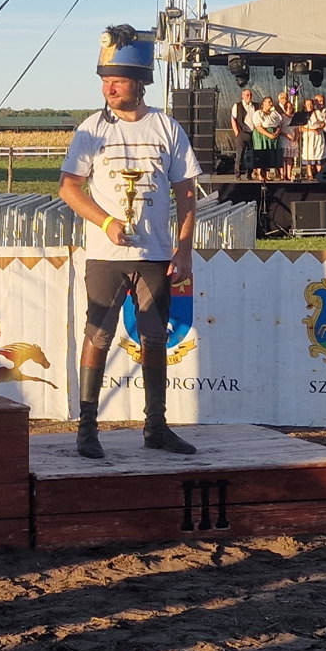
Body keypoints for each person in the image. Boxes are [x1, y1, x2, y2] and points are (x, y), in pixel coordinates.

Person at [60, 24, 202, 460]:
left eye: (118, 81)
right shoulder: (91, 129)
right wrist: (105, 222)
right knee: (98, 335)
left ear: (140, 84)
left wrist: (183, 249)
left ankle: (156, 427)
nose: (109, 89)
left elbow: (186, 194)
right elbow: (69, 188)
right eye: (105, 81)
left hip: (154, 254)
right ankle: (87, 429)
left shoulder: (166, 128)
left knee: (155, 338)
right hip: (106, 256)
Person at [250, 95, 282, 181]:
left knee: (269, 154)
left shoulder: (274, 113)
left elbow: (279, 124)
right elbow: (258, 127)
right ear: (263, 103)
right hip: (262, 135)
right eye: (269, 102)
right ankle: (260, 174)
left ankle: (267, 175)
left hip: (273, 135)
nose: (271, 104)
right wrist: (268, 134)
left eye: (271, 102)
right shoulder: (258, 113)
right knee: (261, 153)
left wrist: (276, 132)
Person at [228, 88, 255, 178]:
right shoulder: (237, 106)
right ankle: (237, 173)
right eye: (247, 95)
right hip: (241, 133)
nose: (249, 97)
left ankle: (249, 174)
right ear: (242, 96)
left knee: (251, 154)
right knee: (240, 154)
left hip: (252, 133)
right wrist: (236, 132)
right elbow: (233, 119)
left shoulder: (255, 106)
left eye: (250, 95)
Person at [299, 97, 326, 181]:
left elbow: (323, 123)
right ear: (305, 105)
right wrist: (311, 130)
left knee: (318, 154)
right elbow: (300, 128)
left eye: (311, 104)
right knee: (309, 154)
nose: (309, 106)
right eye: (307, 104)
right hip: (309, 136)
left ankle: (320, 173)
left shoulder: (317, 112)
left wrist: (318, 128)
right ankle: (309, 174)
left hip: (317, 136)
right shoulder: (302, 115)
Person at [277, 90, 298, 181]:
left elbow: (297, 129)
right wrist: (286, 135)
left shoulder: (294, 117)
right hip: (283, 139)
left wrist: (296, 138)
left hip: (292, 140)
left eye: (290, 107)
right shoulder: (282, 116)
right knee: (282, 158)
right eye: (287, 107)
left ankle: (288, 174)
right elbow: (279, 129)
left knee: (289, 158)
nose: (289, 108)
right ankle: (282, 174)